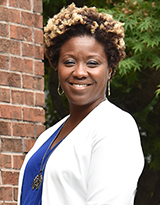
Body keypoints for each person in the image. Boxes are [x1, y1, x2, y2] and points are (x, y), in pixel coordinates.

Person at [18, 3, 144, 205]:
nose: (79, 72)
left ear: (110, 70)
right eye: (69, 62)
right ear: (56, 67)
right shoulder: (47, 136)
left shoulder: (115, 126)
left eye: (92, 63)